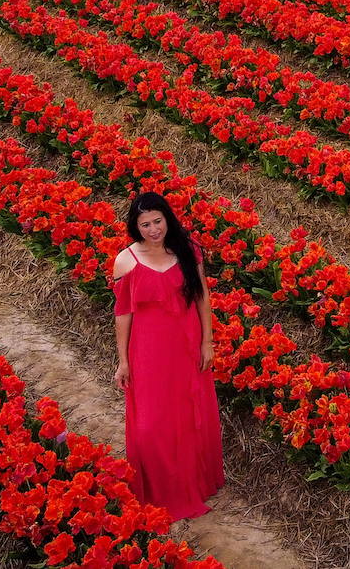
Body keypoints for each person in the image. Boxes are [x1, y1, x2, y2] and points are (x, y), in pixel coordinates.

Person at [112, 191, 224, 520]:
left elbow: (202, 296)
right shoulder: (126, 261)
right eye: (145, 224)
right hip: (148, 351)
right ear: (135, 226)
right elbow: (122, 314)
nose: (153, 229)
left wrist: (208, 341)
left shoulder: (187, 251)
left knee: (189, 414)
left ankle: (193, 481)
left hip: (187, 344)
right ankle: (160, 486)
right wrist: (124, 360)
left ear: (167, 218)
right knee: (150, 423)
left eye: (157, 221)